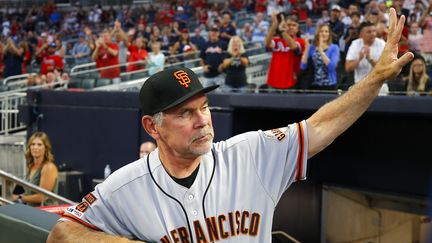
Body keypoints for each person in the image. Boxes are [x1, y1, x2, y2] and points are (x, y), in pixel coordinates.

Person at [47, 9, 414, 243]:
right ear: (152, 126)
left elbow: (321, 126)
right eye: (185, 113)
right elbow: (62, 233)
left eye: (204, 107)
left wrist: (375, 80)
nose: (202, 120)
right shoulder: (126, 186)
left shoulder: (250, 154)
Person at [13, 132, 58, 206]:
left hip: (47, 212)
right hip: (32, 211)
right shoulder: (31, 167)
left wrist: (20, 197)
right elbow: (30, 193)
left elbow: (42, 197)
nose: (35, 147)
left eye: (39, 144)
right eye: (33, 144)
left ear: (46, 148)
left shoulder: (48, 167)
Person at [265, 13, 305, 89]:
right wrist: (274, 25)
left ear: (298, 28)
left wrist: (282, 31)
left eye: (294, 25)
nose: (291, 27)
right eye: (289, 25)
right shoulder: (277, 40)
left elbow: (293, 46)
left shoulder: (301, 41)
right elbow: (267, 43)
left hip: (291, 82)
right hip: (273, 81)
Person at [345, 21, 387, 93]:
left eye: (374, 31)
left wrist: (369, 58)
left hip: (379, 86)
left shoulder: (382, 44)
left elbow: (384, 69)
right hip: (359, 85)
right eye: (369, 32)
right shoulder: (355, 44)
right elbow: (348, 68)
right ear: (361, 34)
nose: (373, 34)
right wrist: (359, 59)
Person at [301, 24, 340, 90]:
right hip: (313, 84)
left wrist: (321, 52)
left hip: (329, 85)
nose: (324, 34)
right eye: (321, 31)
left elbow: (332, 67)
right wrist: (307, 49)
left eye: (326, 31)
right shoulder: (312, 48)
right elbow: (303, 66)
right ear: (318, 33)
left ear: (329, 34)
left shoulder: (334, 47)